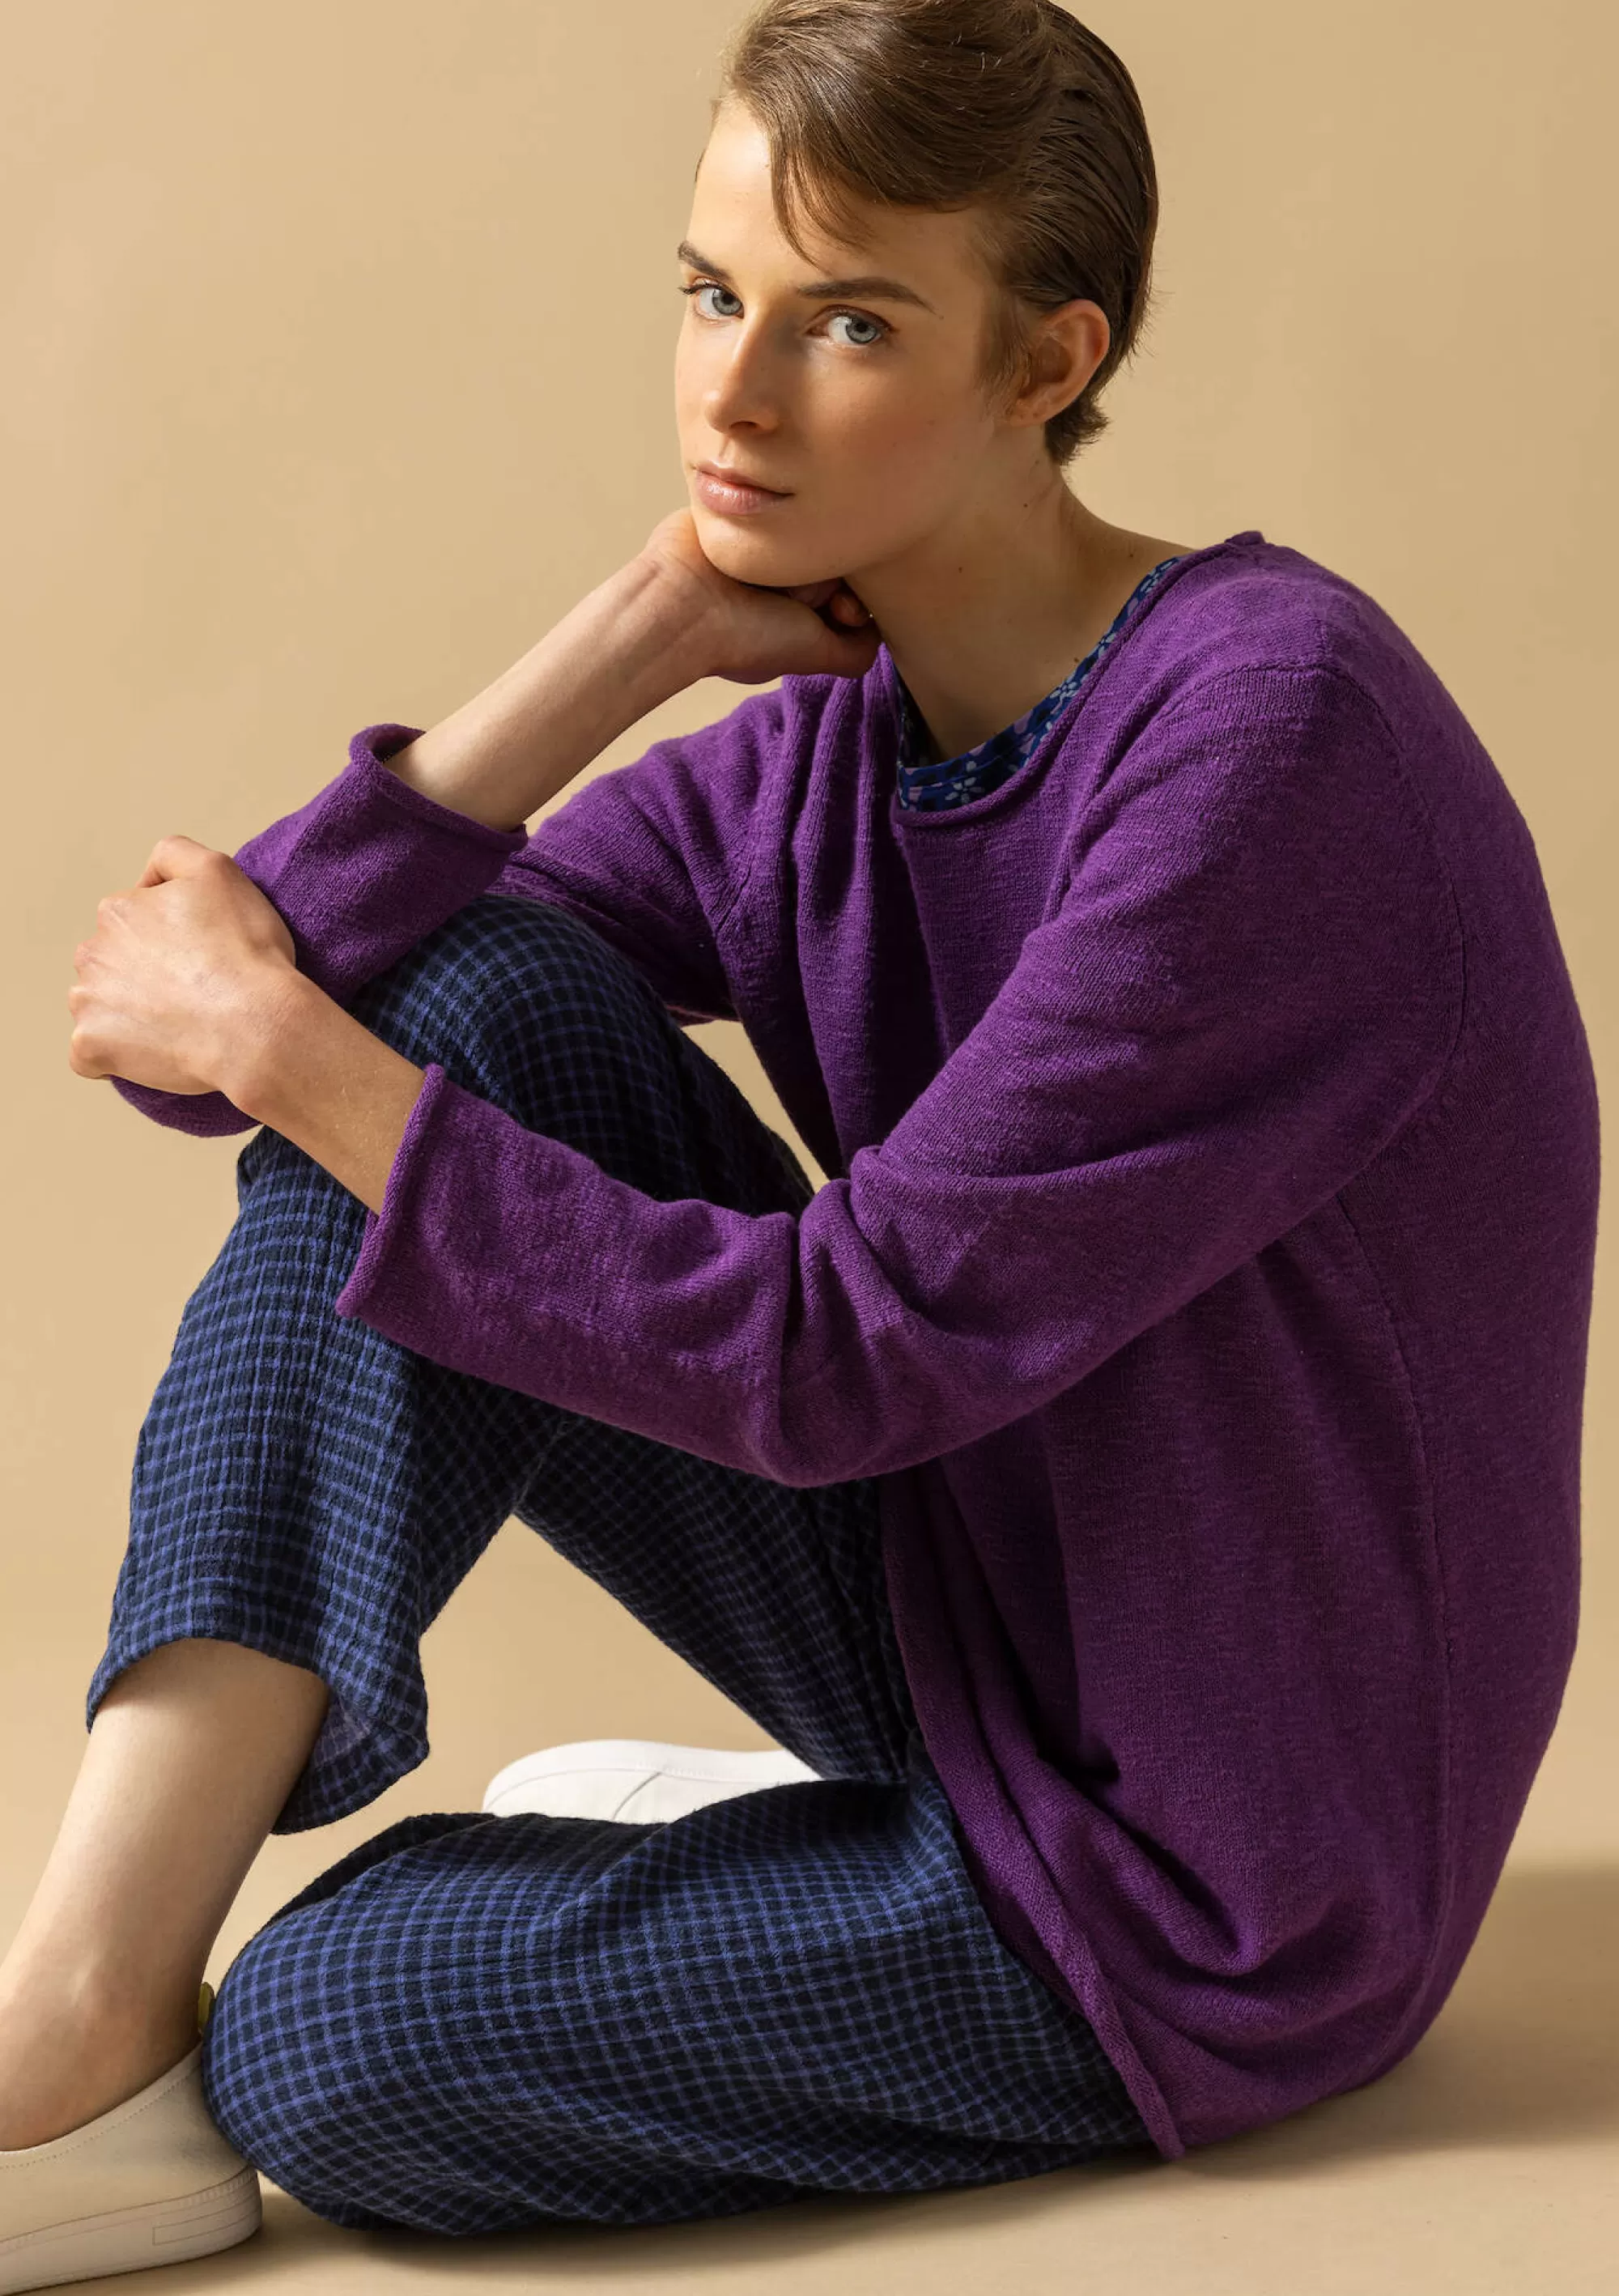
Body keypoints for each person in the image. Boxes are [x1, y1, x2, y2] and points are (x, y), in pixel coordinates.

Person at [2, 0, 1600, 2283]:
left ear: (1048, 360)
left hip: (1211, 1884)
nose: (735, 394)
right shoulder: (838, 753)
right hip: (957, 1612)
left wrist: (279, 1046)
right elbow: (219, 1041)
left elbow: (840, 1351)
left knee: (326, 2041)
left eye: (848, 323)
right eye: (708, 294)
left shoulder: (1271, 744)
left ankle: (766, 1897)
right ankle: (71, 2014)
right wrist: (635, 630)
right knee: (468, 1003)